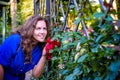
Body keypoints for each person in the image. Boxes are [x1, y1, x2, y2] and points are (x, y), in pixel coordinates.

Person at [0, 15, 51, 80]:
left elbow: (35, 74)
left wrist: (44, 56)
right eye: (38, 28)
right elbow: (0, 63)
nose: (42, 32)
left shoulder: (39, 49)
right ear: (30, 29)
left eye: (44, 28)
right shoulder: (15, 40)